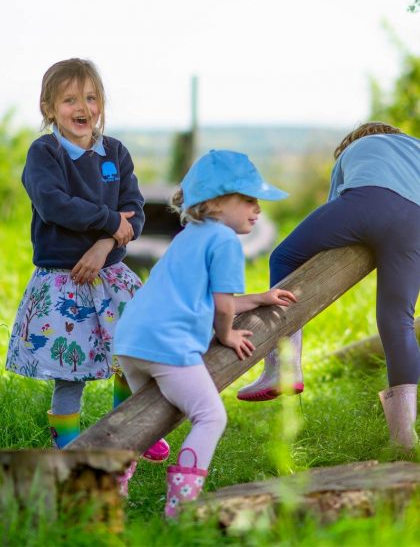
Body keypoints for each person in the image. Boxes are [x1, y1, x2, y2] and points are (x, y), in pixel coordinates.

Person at [5, 58, 170, 492]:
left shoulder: (114, 153)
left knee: (131, 356)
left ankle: (125, 437)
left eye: (92, 98)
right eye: (71, 99)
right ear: (49, 107)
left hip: (112, 277)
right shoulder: (46, 153)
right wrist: (107, 221)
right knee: (70, 373)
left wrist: (104, 244)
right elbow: (53, 203)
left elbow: (133, 215)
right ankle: (71, 459)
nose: (84, 107)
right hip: (64, 282)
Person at [114, 149, 297, 517]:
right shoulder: (226, 241)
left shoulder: (188, 236)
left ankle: (115, 485)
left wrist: (259, 298)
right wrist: (227, 335)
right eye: (247, 200)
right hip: (168, 345)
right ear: (214, 203)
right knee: (211, 416)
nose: (257, 210)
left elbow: (203, 298)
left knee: (145, 419)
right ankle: (180, 508)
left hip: (131, 344)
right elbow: (222, 307)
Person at [237, 122, 420, 450]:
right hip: (416, 221)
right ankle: (404, 438)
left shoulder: (354, 150)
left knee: (284, 256)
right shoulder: (415, 148)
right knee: (398, 321)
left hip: (368, 201)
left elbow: (336, 205)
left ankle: (284, 367)